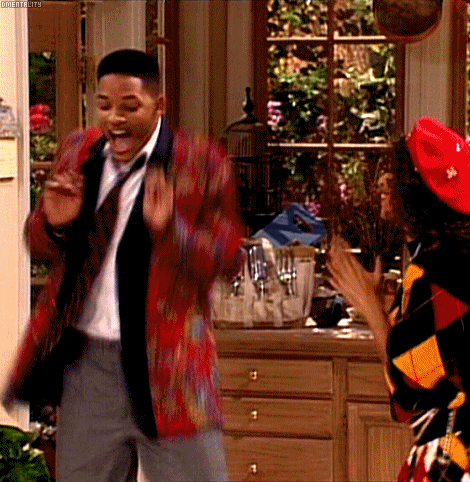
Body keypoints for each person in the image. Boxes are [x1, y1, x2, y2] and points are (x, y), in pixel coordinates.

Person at [2, 48, 244, 482]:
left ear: (159, 104)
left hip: (171, 370)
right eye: (105, 105)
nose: (115, 118)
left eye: (130, 107)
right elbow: (39, 245)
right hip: (90, 370)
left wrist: (171, 230)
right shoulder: (78, 152)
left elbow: (229, 260)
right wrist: (54, 224)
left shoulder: (200, 162)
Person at [328, 117, 470, 481]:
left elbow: (408, 392)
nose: (381, 183)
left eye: (393, 175)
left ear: (414, 192)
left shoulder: (436, 273)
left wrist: (369, 306)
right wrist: (385, 306)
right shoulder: (452, 261)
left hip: (453, 459)